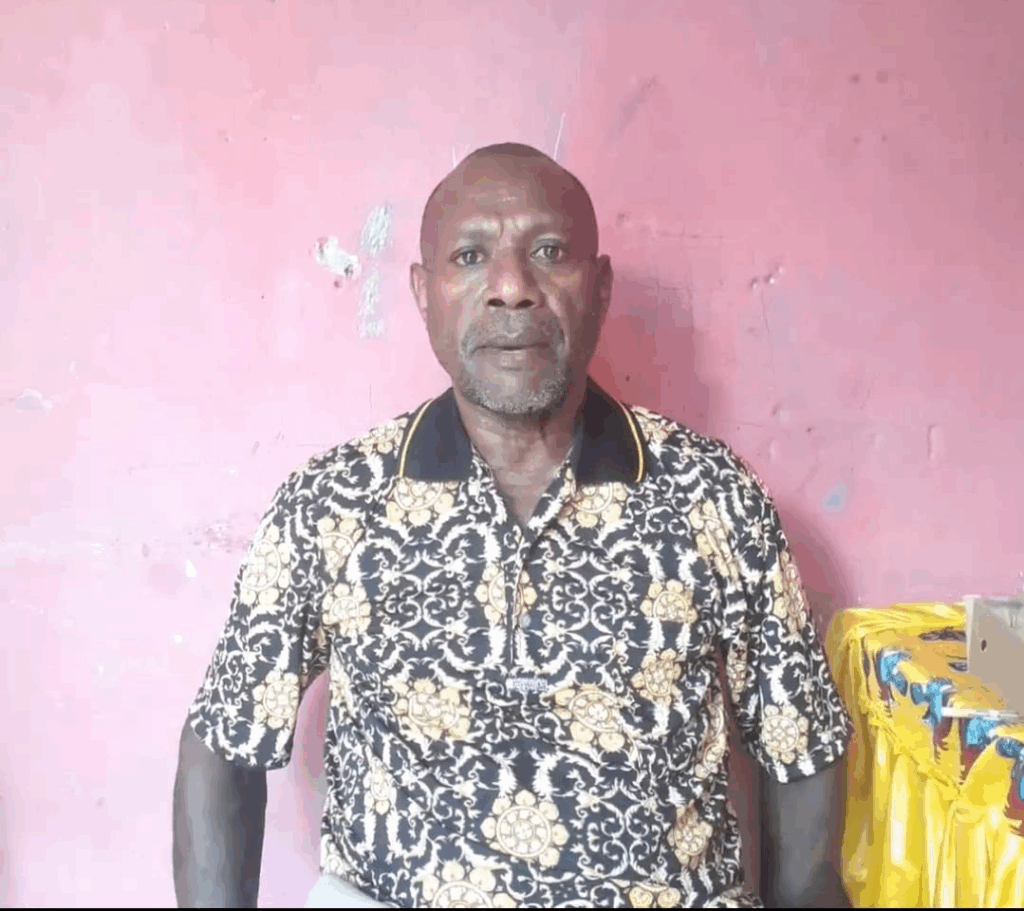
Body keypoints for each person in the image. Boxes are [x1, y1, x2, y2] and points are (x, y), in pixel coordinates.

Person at [172, 142, 853, 908]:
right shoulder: (333, 502)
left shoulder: (712, 495)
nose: (511, 288)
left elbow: (801, 742)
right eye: (471, 256)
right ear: (423, 293)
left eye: (549, 251)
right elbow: (222, 741)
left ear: (600, 287)